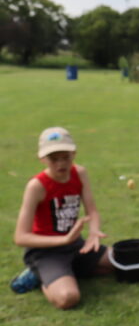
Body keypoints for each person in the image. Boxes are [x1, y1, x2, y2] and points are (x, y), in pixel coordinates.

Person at [10, 127, 113, 309]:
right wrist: (63, 239)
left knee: (121, 261)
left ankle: (65, 273)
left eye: (65, 157)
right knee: (68, 298)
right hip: (45, 252)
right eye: (54, 159)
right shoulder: (36, 186)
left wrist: (94, 231)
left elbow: (93, 211)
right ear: (42, 159)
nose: (61, 164)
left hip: (75, 246)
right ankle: (40, 276)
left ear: (74, 153)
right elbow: (20, 237)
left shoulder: (80, 173)